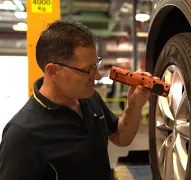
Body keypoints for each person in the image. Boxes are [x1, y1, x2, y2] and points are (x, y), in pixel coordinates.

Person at [0, 20, 155, 180]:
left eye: (96, 65)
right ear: (54, 71)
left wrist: (135, 105)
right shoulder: (23, 136)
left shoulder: (89, 98)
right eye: (88, 70)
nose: (97, 76)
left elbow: (120, 136)